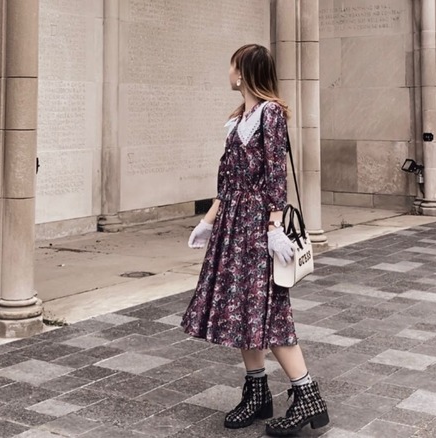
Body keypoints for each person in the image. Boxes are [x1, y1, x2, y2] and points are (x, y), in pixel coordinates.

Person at [180, 44, 329, 437]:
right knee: (242, 312)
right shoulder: (237, 119)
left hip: (259, 225)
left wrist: (275, 225)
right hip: (233, 225)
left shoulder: (271, 113)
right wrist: (208, 222)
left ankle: (308, 396)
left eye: (231, 65)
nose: (227, 72)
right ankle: (257, 392)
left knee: (268, 312)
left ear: (243, 73)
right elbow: (226, 182)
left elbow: (275, 173)